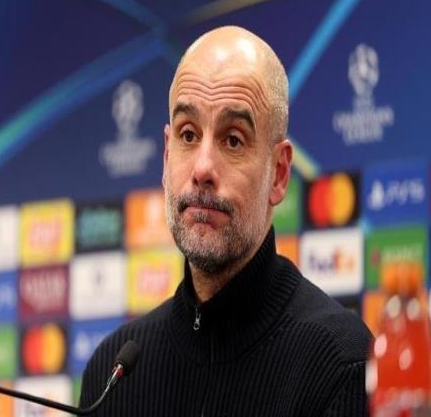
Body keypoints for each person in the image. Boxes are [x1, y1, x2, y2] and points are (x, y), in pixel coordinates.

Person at [79, 25, 371, 416]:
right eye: (187, 135)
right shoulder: (112, 374)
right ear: (166, 157)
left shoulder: (342, 365)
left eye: (233, 139)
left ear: (279, 173)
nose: (202, 168)